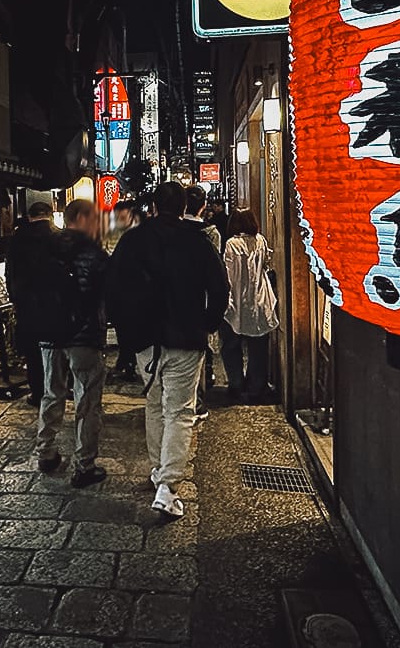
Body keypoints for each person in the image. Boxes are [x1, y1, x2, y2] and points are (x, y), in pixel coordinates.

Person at [106, 182, 228, 518]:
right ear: (184, 205)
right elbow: (220, 288)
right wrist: (208, 323)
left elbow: (113, 289)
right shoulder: (197, 241)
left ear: (155, 207)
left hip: (145, 340)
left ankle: (159, 470)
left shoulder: (133, 241)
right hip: (186, 338)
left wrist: (127, 334)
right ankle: (167, 485)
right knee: (179, 411)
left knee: (155, 403)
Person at [34, 199, 110, 488]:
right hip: (84, 336)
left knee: (51, 392)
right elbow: (105, 292)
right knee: (87, 400)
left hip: (49, 334)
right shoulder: (93, 252)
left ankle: (46, 452)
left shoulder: (46, 247)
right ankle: (84, 465)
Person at [220, 209, 279, 404]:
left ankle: (236, 383)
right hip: (259, 299)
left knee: (231, 345)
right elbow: (268, 264)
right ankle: (256, 386)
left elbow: (228, 273)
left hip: (235, 299)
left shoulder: (231, 244)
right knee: (258, 347)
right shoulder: (260, 241)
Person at [5, 201, 57, 406]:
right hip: (54, 302)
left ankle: (37, 393)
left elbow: (10, 272)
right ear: (50, 215)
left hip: (27, 303)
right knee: (55, 347)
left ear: (30, 216)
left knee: (33, 351)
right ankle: (57, 389)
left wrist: (14, 297)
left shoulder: (18, 239)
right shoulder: (58, 236)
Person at [183, 186, 221, 420]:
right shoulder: (210, 234)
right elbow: (218, 280)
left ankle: (194, 399)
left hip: (176, 307)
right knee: (200, 352)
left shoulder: (172, 232)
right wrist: (213, 319)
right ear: (203, 205)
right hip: (201, 302)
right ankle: (197, 400)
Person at [105, 199, 142, 381]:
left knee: (133, 327)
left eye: (122, 216)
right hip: (118, 289)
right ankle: (127, 360)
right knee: (122, 327)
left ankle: (130, 360)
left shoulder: (139, 234)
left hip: (136, 289)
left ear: (131, 215)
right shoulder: (110, 233)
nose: (119, 219)